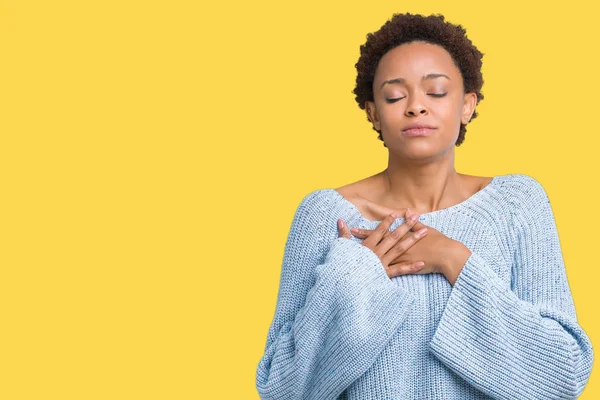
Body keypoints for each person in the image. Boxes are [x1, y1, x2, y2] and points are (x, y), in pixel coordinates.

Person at [255, 12, 594, 400]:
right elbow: (282, 389)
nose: (416, 106)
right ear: (373, 113)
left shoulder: (517, 205)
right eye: (395, 95)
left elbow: (562, 375)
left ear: (467, 105)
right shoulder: (324, 215)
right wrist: (357, 271)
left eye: (435, 92)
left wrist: (452, 258)